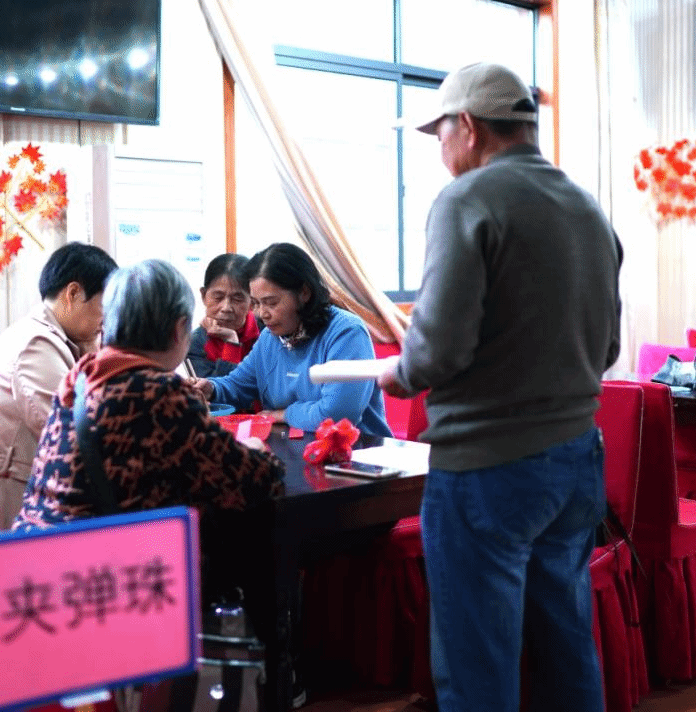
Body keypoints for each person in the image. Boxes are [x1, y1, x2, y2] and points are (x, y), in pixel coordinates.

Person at [377, 62, 622, 712]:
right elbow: (609, 350)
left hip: (489, 466)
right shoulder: (587, 208)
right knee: (566, 652)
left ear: (468, 126)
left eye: (440, 136)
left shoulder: (468, 200)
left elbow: (436, 350)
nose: (441, 152)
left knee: (477, 666)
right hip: (576, 459)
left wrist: (396, 372)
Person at [16, 258, 284, 533]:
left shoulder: (81, 378)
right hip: (100, 555)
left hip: (38, 548)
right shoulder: (161, 394)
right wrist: (255, 448)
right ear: (179, 328)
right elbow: (257, 480)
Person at [0, 242, 118, 531]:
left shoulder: (47, 337)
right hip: (5, 505)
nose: (106, 320)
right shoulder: (36, 344)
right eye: (105, 306)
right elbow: (75, 436)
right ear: (73, 293)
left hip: (15, 494)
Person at [192, 242, 392, 436]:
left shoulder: (346, 332)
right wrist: (212, 388)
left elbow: (336, 416)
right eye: (256, 303)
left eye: (271, 303)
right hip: (295, 449)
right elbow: (238, 385)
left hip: (358, 453)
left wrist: (284, 414)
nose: (262, 314)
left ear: (304, 293)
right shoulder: (270, 338)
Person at [187, 253, 261, 378]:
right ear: (203, 296)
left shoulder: (267, 334)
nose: (226, 308)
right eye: (218, 297)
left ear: (252, 302)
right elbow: (214, 389)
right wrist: (231, 343)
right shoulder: (195, 344)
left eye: (237, 299)